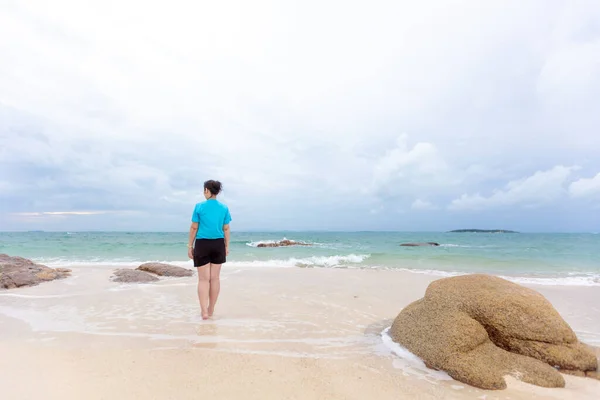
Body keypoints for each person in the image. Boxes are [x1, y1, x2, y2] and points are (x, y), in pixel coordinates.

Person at [187, 180, 231, 320]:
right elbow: (226, 228)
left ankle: (204, 312)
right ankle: (211, 309)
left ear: (207, 190)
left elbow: (194, 227)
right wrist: (226, 246)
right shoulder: (224, 208)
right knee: (215, 279)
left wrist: (190, 246)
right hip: (218, 244)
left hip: (202, 244)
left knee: (203, 280)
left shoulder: (199, 206)